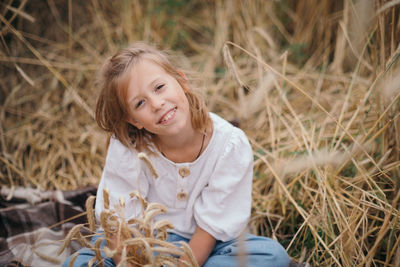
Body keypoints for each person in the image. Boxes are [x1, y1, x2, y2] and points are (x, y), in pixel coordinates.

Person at [62, 42, 290, 267]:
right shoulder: (128, 147)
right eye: (140, 103)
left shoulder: (229, 144)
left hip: (208, 248)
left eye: (159, 87)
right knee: (80, 263)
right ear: (133, 120)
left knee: (271, 255)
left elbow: (212, 226)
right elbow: (118, 224)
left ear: (182, 82)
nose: (157, 103)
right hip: (140, 243)